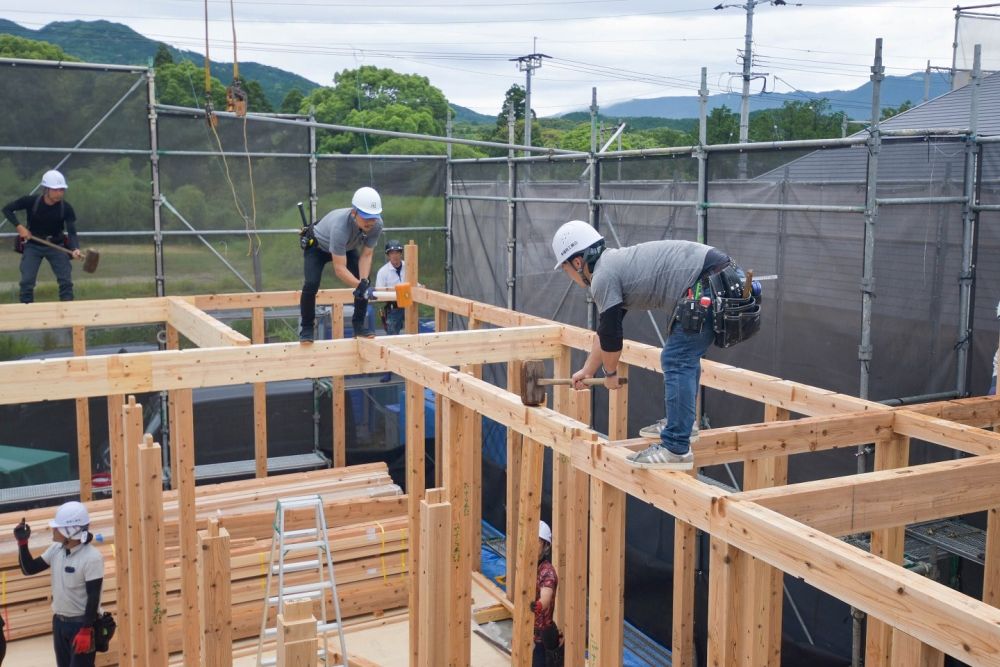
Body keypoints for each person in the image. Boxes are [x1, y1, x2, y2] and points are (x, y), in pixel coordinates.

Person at [551, 220, 759, 471]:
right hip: (716, 278)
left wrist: (611, 374)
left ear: (577, 262)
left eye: (566, 269)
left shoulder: (603, 277)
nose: (569, 276)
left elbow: (612, 338)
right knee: (683, 357)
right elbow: (605, 331)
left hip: (707, 283)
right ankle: (681, 424)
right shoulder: (615, 266)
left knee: (676, 359)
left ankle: (675, 447)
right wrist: (587, 370)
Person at [14, 501, 104, 667]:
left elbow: (93, 596)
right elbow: (29, 569)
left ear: (70, 531)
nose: (53, 530)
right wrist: (22, 543)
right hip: (60, 623)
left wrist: (86, 629)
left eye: (58, 527)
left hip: (80, 625)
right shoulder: (56, 549)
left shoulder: (92, 558)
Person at [299, 186, 384, 343]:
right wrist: (360, 287)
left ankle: (359, 327)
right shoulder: (341, 226)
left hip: (347, 247)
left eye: (373, 217)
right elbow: (339, 269)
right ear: (354, 213)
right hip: (318, 247)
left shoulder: (377, 225)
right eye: (366, 217)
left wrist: (363, 283)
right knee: (311, 284)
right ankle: (307, 328)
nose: (370, 222)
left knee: (364, 281)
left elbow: (367, 255)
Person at [3, 169, 82, 304]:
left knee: (66, 282)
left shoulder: (66, 208)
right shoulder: (30, 201)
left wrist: (75, 248)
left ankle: (68, 313)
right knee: (27, 282)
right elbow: (7, 209)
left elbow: (72, 232)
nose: (59, 193)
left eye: (62, 190)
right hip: (33, 245)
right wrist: (19, 226)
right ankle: (26, 313)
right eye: (56, 190)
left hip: (57, 245)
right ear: (46, 189)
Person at [532, 521, 562, 667]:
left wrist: (538, 605)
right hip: (527, 632)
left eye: (537, 541)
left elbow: (546, 596)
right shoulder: (528, 567)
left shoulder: (547, 571)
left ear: (545, 546)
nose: (533, 545)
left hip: (542, 639)